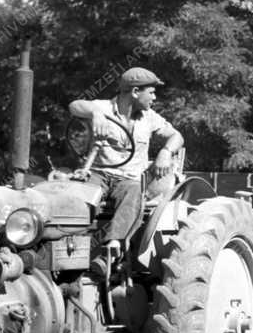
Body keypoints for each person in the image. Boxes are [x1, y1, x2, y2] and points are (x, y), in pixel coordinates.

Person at [68, 67, 184, 244]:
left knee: (136, 191)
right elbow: (74, 106)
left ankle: (113, 246)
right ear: (136, 92)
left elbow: (177, 136)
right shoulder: (102, 107)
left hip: (128, 180)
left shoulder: (150, 117)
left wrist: (165, 152)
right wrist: (96, 114)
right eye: (151, 93)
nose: (154, 98)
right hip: (98, 174)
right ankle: (72, 242)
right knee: (78, 192)